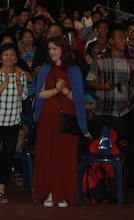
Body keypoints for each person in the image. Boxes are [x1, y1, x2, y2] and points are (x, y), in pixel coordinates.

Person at [86, 25, 134, 189]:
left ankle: (127, 179)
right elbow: (89, 80)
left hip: (125, 110)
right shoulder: (100, 61)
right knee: (102, 146)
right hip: (104, 110)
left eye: (124, 38)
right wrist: (103, 87)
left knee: (127, 147)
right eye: (120, 37)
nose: (124, 41)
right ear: (111, 41)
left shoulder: (131, 63)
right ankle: (102, 177)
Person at [33, 35, 89, 208]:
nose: (52, 52)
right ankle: (50, 192)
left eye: (55, 49)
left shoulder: (74, 70)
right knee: (48, 156)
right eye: (50, 49)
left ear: (63, 50)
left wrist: (64, 90)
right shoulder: (45, 69)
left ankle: (63, 193)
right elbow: (39, 95)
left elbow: (78, 99)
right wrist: (54, 90)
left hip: (67, 120)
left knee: (65, 157)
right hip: (47, 120)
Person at [0, 43, 28, 204]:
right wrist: (6, 82)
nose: (10, 58)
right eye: (6, 54)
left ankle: (1, 189)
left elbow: (23, 97)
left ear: (16, 58)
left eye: (13, 55)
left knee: (8, 156)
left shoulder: (20, 74)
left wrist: (18, 82)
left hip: (12, 121)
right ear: (0, 57)